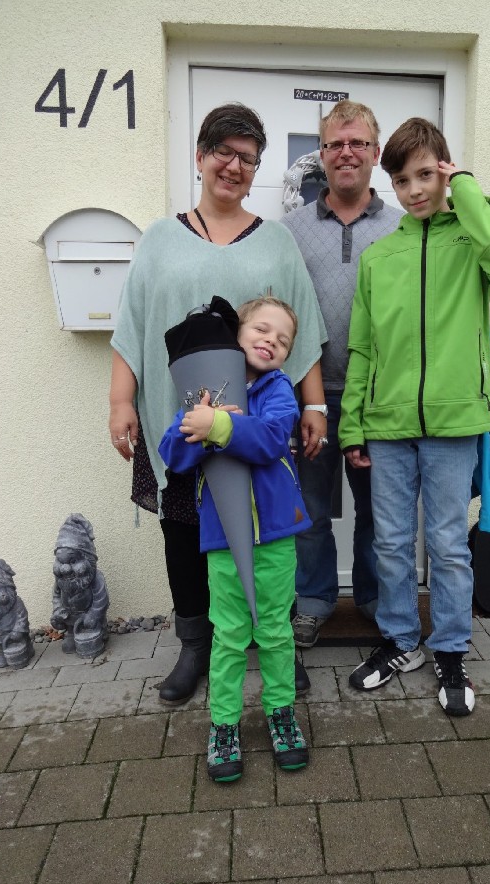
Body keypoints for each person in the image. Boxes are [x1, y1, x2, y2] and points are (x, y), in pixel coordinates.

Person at [109, 103, 327, 706]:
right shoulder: (160, 239)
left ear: (256, 169)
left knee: (265, 531)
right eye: (223, 153)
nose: (234, 166)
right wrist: (121, 400)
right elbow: (131, 326)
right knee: (185, 532)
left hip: (254, 426)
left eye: (247, 158)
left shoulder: (277, 242)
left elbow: (304, 328)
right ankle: (195, 645)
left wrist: (314, 407)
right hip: (180, 420)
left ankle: (274, 641)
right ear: (201, 157)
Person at [339, 117, 490, 716]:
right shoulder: (379, 256)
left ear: (445, 171)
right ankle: (402, 642)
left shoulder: (473, 239)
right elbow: (363, 347)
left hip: (454, 425)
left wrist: (467, 189)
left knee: (448, 545)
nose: (415, 190)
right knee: (392, 543)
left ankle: (450, 648)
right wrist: (352, 424)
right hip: (388, 426)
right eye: (402, 180)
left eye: (426, 175)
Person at [159, 295, 311, 782]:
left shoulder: (278, 389)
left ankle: (280, 713)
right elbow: (172, 454)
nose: (271, 341)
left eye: (283, 339)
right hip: (222, 540)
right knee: (227, 635)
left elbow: (270, 438)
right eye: (262, 329)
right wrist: (198, 425)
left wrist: (220, 425)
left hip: (276, 537)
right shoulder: (202, 391)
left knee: (275, 631)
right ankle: (224, 724)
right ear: (236, 335)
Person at [282, 100, 402, 648]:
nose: (346, 153)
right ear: (322, 154)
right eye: (335, 144)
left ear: (376, 152)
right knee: (308, 512)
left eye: (357, 143)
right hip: (307, 398)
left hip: (380, 401)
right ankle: (313, 601)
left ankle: (377, 601)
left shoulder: (404, 228)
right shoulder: (289, 232)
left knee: (380, 513)